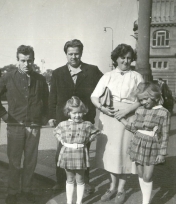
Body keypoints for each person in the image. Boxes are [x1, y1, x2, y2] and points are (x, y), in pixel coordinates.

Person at [0, 45, 49, 204]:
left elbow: (47, 101)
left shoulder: (40, 79)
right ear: (18, 60)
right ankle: (13, 192)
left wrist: (44, 117)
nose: (26, 64)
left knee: (30, 161)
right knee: (14, 162)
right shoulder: (8, 77)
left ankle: (27, 190)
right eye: (23, 60)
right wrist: (3, 114)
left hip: (34, 126)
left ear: (33, 60)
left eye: (29, 60)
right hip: (15, 126)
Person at [91, 43, 144, 203]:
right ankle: (111, 187)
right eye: (123, 58)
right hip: (109, 117)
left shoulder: (136, 76)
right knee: (111, 154)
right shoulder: (107, 76)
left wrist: (127, 110)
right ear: (116, 58)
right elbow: (94, 96)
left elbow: (142, 99)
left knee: (124, 153)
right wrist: (103, 109)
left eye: (129, 58)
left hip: (128, 117)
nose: (126, 61)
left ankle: (121, 189)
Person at [49, 39, 103, 193]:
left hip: (84, 119)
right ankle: (60, 182)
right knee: (62, 150)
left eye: (77, 54)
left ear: (81, 54)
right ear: (66, 54)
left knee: (83, 151)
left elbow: (105, 85)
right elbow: (52, 96)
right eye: (70, 54)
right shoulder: (57, 73)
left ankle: (84, 183)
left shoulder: (92, 70)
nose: (74, 57)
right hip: (63, 119)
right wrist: (51, 116)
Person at [119, 82, 170, 204]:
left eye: (145, 99)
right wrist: (123, 121)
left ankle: (146, 202)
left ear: (155, 97)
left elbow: (165, 135)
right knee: (141, 175)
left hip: (152, 146)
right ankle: (144, 198)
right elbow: (136, 128)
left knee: (147, 176)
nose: (143, 102)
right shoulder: (140, 110)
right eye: (140, 100)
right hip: (137, 143)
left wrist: (162, 153)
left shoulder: (164, 113)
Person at [54, 96, 100, 204]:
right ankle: (69, 201)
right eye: (74, 113)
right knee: (69, 179)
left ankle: (79, 202)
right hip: (67, 153)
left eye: (79, 112)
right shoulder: (63, 124)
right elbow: (56, 132)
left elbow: (96, 132)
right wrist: (61, 139)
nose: (77, 115)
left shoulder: (87, 125)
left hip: (80, 154)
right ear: (68, 112)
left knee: (80, 179)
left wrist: (89, 139)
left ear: (83, 112)